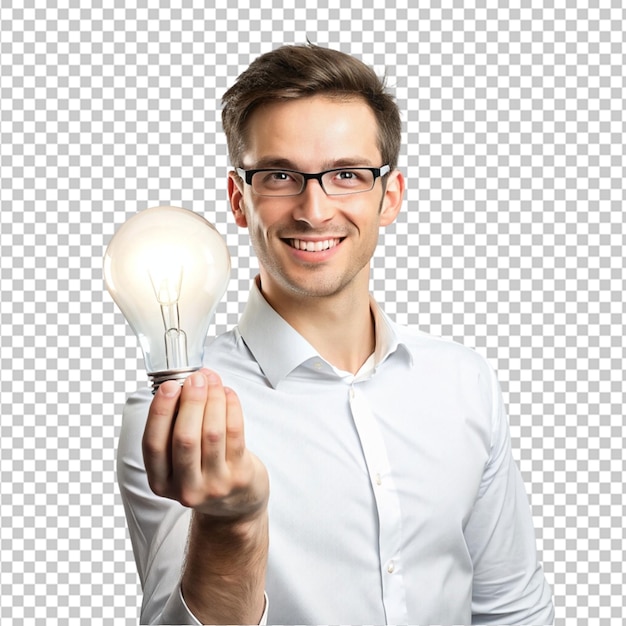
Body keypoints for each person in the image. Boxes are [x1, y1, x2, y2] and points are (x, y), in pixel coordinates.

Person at [117, 43, 555, 625]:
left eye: (346, 174)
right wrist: (233, 526)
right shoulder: (179, 414)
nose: (314, 210)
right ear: (238, 199)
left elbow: (512, 609)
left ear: (389, 196)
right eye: (280, 176)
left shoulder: (462, 381)